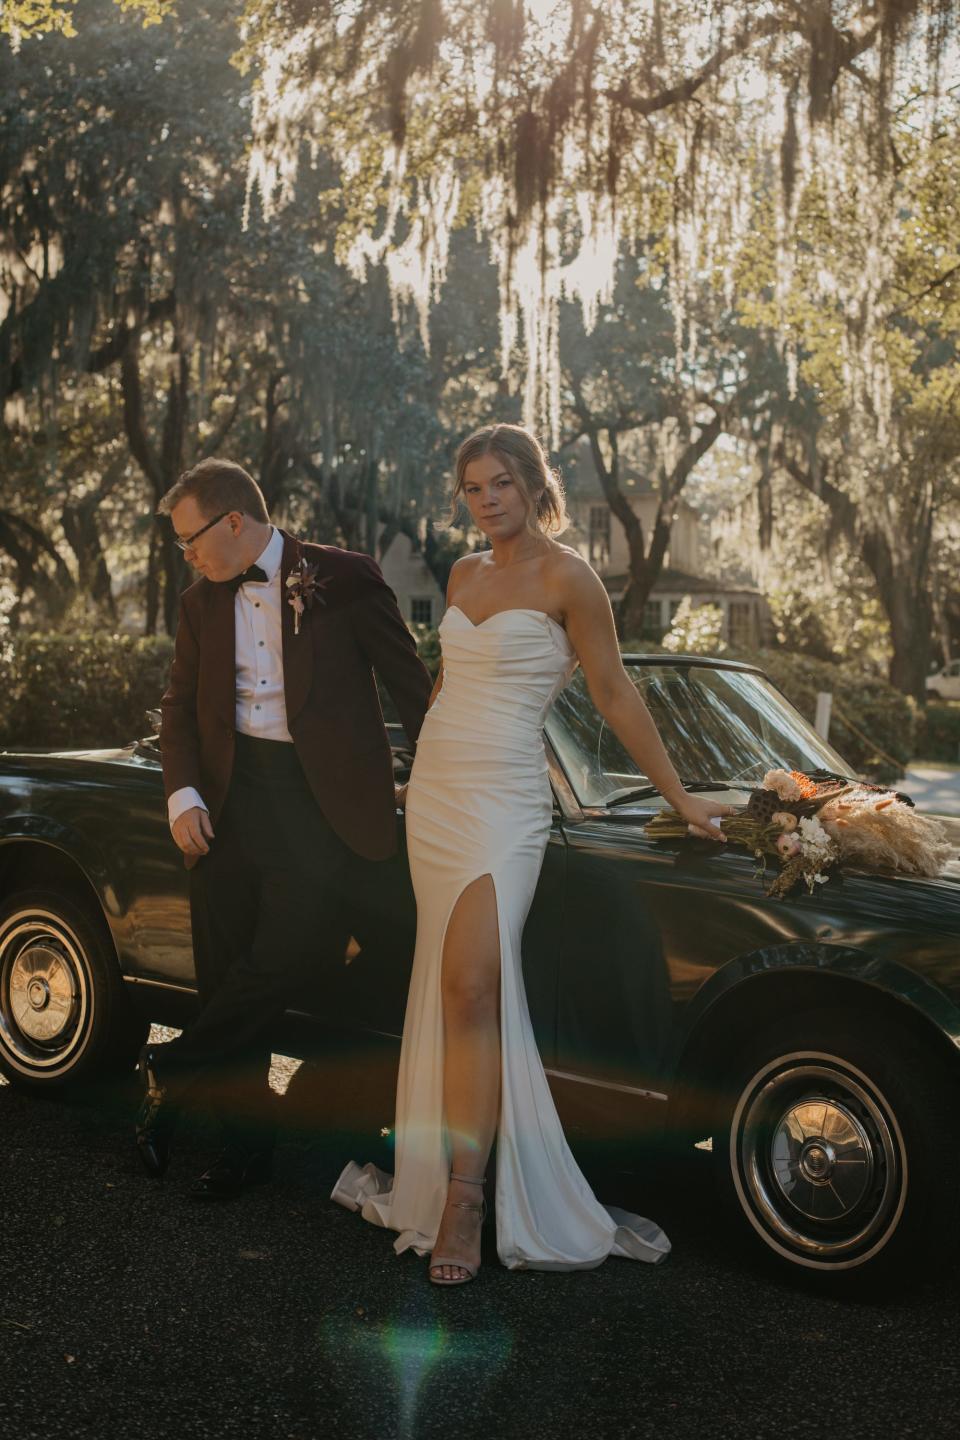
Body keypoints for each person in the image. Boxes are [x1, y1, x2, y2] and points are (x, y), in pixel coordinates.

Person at [333, 422, 735, 1283]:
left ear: (532, 484)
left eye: (500, 484)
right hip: (437, 796)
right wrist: (410, 774)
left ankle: (467, 1199)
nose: (486, 500)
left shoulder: (571, 577)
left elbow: (615, 694)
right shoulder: (464, 572)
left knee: (475, 982)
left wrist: (681, 797)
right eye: (472, 488)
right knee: (447, 989)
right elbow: (447, 684)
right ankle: (441, 1175)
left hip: (506, 799)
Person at [136, 458, 433, 1200]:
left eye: (191, 539)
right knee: (225, 976)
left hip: (319, 809)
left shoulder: (347, 577)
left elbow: (413, 691)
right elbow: (177, 710)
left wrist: (440, 779)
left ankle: (171, 1074)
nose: (188, 555)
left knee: (284, 960)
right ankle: (239, 1153)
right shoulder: (198, 603)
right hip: (228, 807)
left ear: (234, 521)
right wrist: (182, 798)